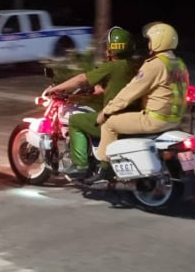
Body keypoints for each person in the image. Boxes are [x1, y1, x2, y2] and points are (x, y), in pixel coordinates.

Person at [88, 22, 189, 184]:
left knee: (109, 124)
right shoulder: (179, 64)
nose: (148, 44)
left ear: (158, 41)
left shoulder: (155, 65)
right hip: (175, 119)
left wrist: (106, 111)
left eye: (150, 40)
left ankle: (105, 169)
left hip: (154, 120)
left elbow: (130, 91)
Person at [42, 26, 139, 178]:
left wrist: (55, 89)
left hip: (114, 118)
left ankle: (80, 165)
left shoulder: (112, 66)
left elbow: (81, 79)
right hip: (134, 117)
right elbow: (102, 89)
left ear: (112, 48)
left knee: (75, 121)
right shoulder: (135, 66)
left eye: (108, 47)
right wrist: (90, 91)